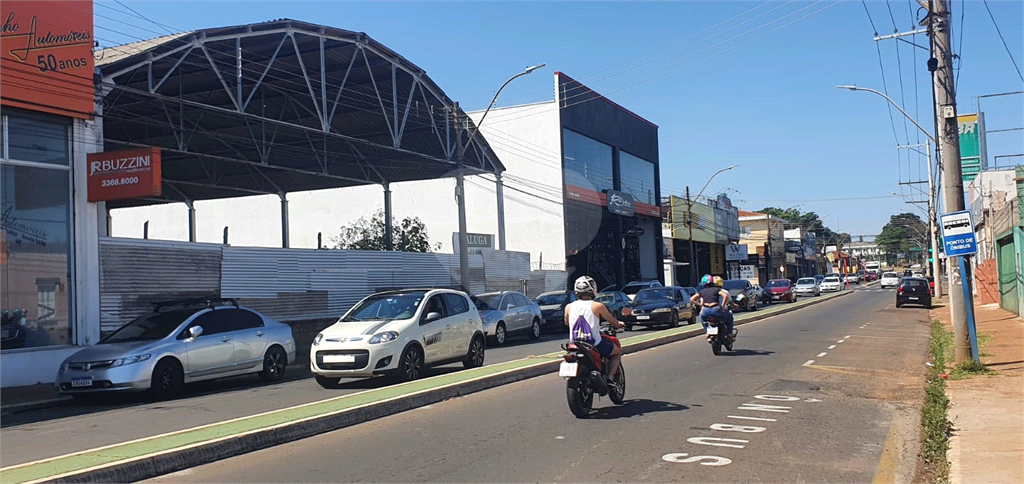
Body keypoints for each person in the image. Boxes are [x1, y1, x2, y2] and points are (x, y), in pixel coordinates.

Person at [564, 275, 625, 384]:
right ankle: (610, 378)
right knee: (617, 352)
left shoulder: (569, 307)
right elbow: (613, 321)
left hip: (575, 343)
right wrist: (619, 324)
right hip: (594, 343)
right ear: (593, 289)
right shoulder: (598, 306)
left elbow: (567, 322)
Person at [690, 274, 734, 341]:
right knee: (730, 316)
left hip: (706, 310)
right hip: (716, 309)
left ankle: (707, 332)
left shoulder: (702, 291)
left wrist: (700, 305)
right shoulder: (716, 289)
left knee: (702, 319)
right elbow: (725, 296)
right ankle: (730, 334)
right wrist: (722, 306)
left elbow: (692, 299)